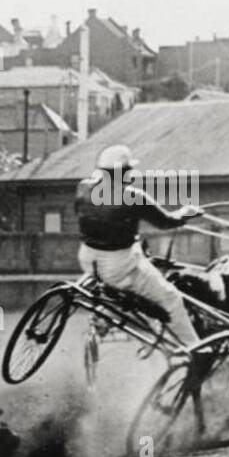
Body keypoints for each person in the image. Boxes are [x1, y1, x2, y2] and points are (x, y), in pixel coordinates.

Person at [76, 144, 203, 348]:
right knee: (171, 299)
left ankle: (110, 313)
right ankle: (196, 347)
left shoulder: (83, 189)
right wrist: (187, 213)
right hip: (117, 268)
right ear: (124, 172)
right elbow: (166, 222)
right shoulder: (133, 196)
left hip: (87, 261)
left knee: (138, 257)